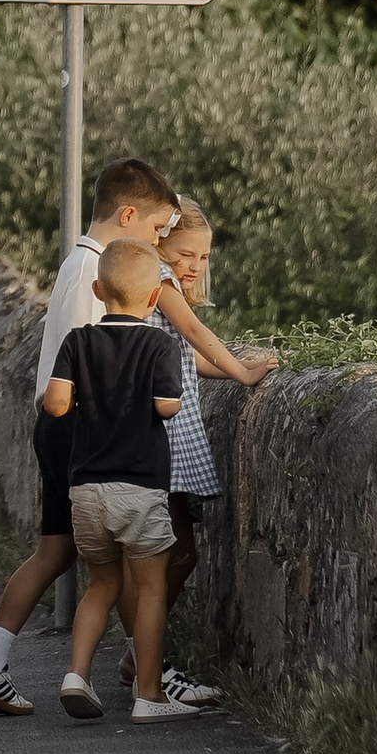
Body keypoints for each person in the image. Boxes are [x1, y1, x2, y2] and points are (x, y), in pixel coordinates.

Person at [0, 157, 176, 716]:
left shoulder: (80, 266)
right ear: (128, 215)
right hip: (81, 431)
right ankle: (152, 676)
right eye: (156, 230)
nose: (158, 244)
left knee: (57, 553)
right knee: (120, 558)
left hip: (61, 429)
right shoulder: (91, 274)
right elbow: (91, 366)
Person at [39, 236, 195, 724]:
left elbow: (55, 404)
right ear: (155, 297)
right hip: (140, 487)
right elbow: (167, 407)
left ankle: (76, 674)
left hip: (86, 489)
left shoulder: (77, 341)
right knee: (149, 589)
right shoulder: (160, 344)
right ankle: (149, 694)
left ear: (97, 290)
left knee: (101, 584)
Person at [145, 198, 279, 712]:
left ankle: (142, 657)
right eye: (186, 253)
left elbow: (192, 359)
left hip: (171, 436)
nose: (196, 265)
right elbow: (196, 334)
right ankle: (146, 663)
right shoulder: (158, 280)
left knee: (176, 554)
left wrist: (239, 365)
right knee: (172, 554)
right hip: (160, 436)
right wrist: (243, 372)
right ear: (161, 244)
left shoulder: (163, 284)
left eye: (203, 257)